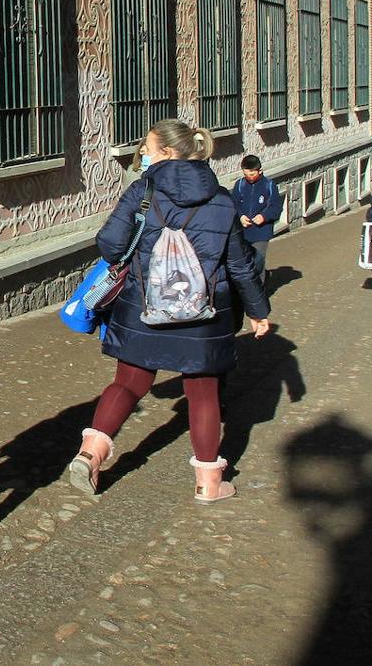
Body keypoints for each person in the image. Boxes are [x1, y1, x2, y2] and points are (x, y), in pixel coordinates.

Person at [68, 119, 271, 504]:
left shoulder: (142, 191)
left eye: (148, 146)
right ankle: (209, 484)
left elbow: (110, 246)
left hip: (143, 307)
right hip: (204, 315)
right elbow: (241, 264)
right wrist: (258, 311)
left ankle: (90, 454)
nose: (142, 152)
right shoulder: (223, 200)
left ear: (167, 152)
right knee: (203, 392)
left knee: (128, 382)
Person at [231, 154, 283, 283]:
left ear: (260, 171)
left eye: (252, 174)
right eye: (246, 174)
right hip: (243, 231)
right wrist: (240, 216)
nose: (249, 177)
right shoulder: (240, 184)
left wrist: (264, 216)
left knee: (258, 261)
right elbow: (234, 204)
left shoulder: (269, 185)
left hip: (261, 231)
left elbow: (276, 207)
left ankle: (260, 290)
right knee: (242, 262)